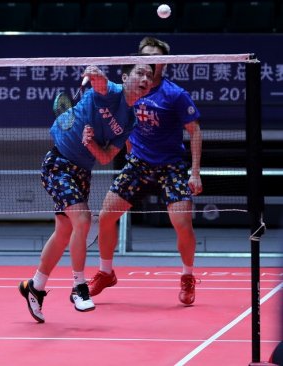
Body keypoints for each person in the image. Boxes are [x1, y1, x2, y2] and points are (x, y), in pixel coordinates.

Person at [19, 62, 154, 323]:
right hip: (58, 165)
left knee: (64, 231)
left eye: (150, 75)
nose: (145, 78)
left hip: (83, 172)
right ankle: (79, 288)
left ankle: (34, 287)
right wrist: (94, 72)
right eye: (140, 72)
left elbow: (105, 158)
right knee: (82, 220)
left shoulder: (130, 121)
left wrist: (91, 142)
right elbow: (99, 79)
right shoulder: (110, 91)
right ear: (125, 77)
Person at [88, 36, 203, 306]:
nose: (150, 61)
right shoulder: (128, 90)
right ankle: (106, 273)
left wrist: (194, 172)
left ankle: (187, 276)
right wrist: (129, 147)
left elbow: (194, 131)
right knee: (105, 217)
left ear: (165, 63)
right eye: (145, 56)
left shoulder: (175, 95)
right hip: (139, 162)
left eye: (155, 57)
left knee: (182, 224)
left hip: (171, 165)